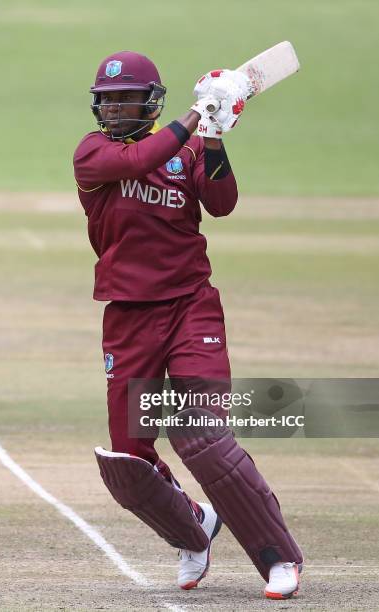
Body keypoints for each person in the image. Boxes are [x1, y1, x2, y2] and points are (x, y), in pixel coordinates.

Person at [73, 51, 303, 599]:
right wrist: (199, 115)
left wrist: (216, 135)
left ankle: (278, 559)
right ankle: (193, 530)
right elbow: (136, 162)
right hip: (127, 316)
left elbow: (222, 204)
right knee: (128, 461)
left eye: (127, 98)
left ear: (150, 102)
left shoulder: (192, 147)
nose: (116, 108)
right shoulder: (93, 153)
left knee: (202, 436)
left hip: (190, 307)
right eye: (108, 100)